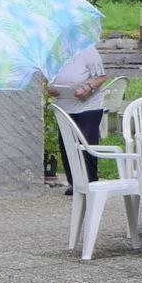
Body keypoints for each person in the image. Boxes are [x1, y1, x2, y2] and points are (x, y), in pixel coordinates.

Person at [47, 44, 109, 195]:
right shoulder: (53, 51)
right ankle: (74, 183)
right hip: (65, 103)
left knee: (86, 142)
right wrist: (50, 87)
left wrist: (88, 87)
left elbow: (102, 77)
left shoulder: (87, 50)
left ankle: (90, 182)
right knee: (67, 143)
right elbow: (48, 76)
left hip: (89, 104)